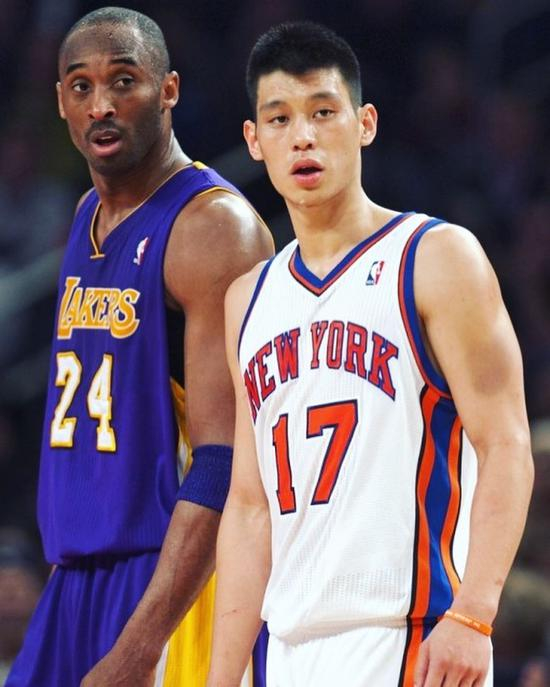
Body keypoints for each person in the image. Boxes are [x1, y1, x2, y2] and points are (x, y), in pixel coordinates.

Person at [206, 21, 534, 687]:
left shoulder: (436, 257)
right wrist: (221, 676)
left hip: (413, 635)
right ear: (254, 140)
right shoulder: (247, 299)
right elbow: (248, 506)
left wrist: (475, 613)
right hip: (286, 646)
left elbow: (506, 443)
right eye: (280, 118)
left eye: (324, 112)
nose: (303, 136)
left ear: (365, 123)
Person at [6, 7, 273, 687]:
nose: (101, 104)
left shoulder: (215, 229)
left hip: (172, 583)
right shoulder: (85, 215)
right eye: (82, 86)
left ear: (168, 90)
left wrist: (139, 648)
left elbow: (223, 463)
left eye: (123, 81)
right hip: (77, 576)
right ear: (60, 102)